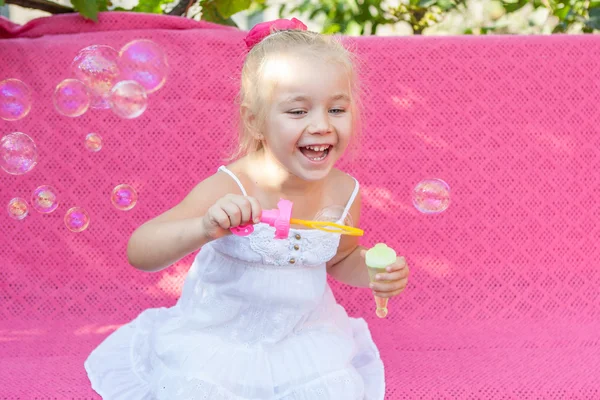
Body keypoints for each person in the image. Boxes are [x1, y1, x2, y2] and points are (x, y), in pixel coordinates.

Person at [85, 18, 409, 400]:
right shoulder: (231, 185)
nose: (321, 125)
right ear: (255, 121)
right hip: (217, 340)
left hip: (302, 338)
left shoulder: (344, 191)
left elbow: (340, 259)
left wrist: (373, 271)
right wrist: (204, 227)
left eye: (336, 109)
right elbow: (140, 250)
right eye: (298, 112)